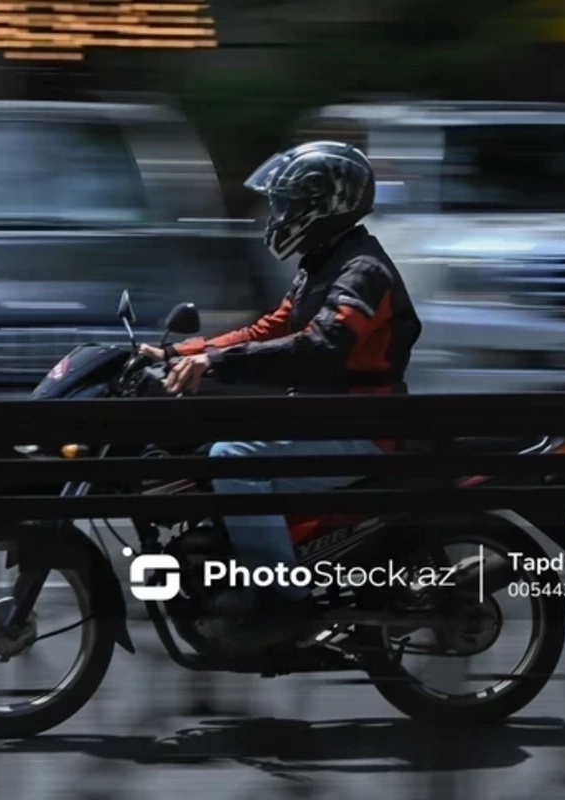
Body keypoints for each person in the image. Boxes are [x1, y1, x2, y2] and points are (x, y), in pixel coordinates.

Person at [140, 141, 422, 650]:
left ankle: (282, 601)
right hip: (323, 421)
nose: (280, 213)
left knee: (233, 459)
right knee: (204, 452)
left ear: (326, 205)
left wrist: (213, 363)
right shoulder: (324, 263)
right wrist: (180, 353)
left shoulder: (363, 271)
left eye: (289, 202)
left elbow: (322, 347)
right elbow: (269, 330)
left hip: (362, 431)